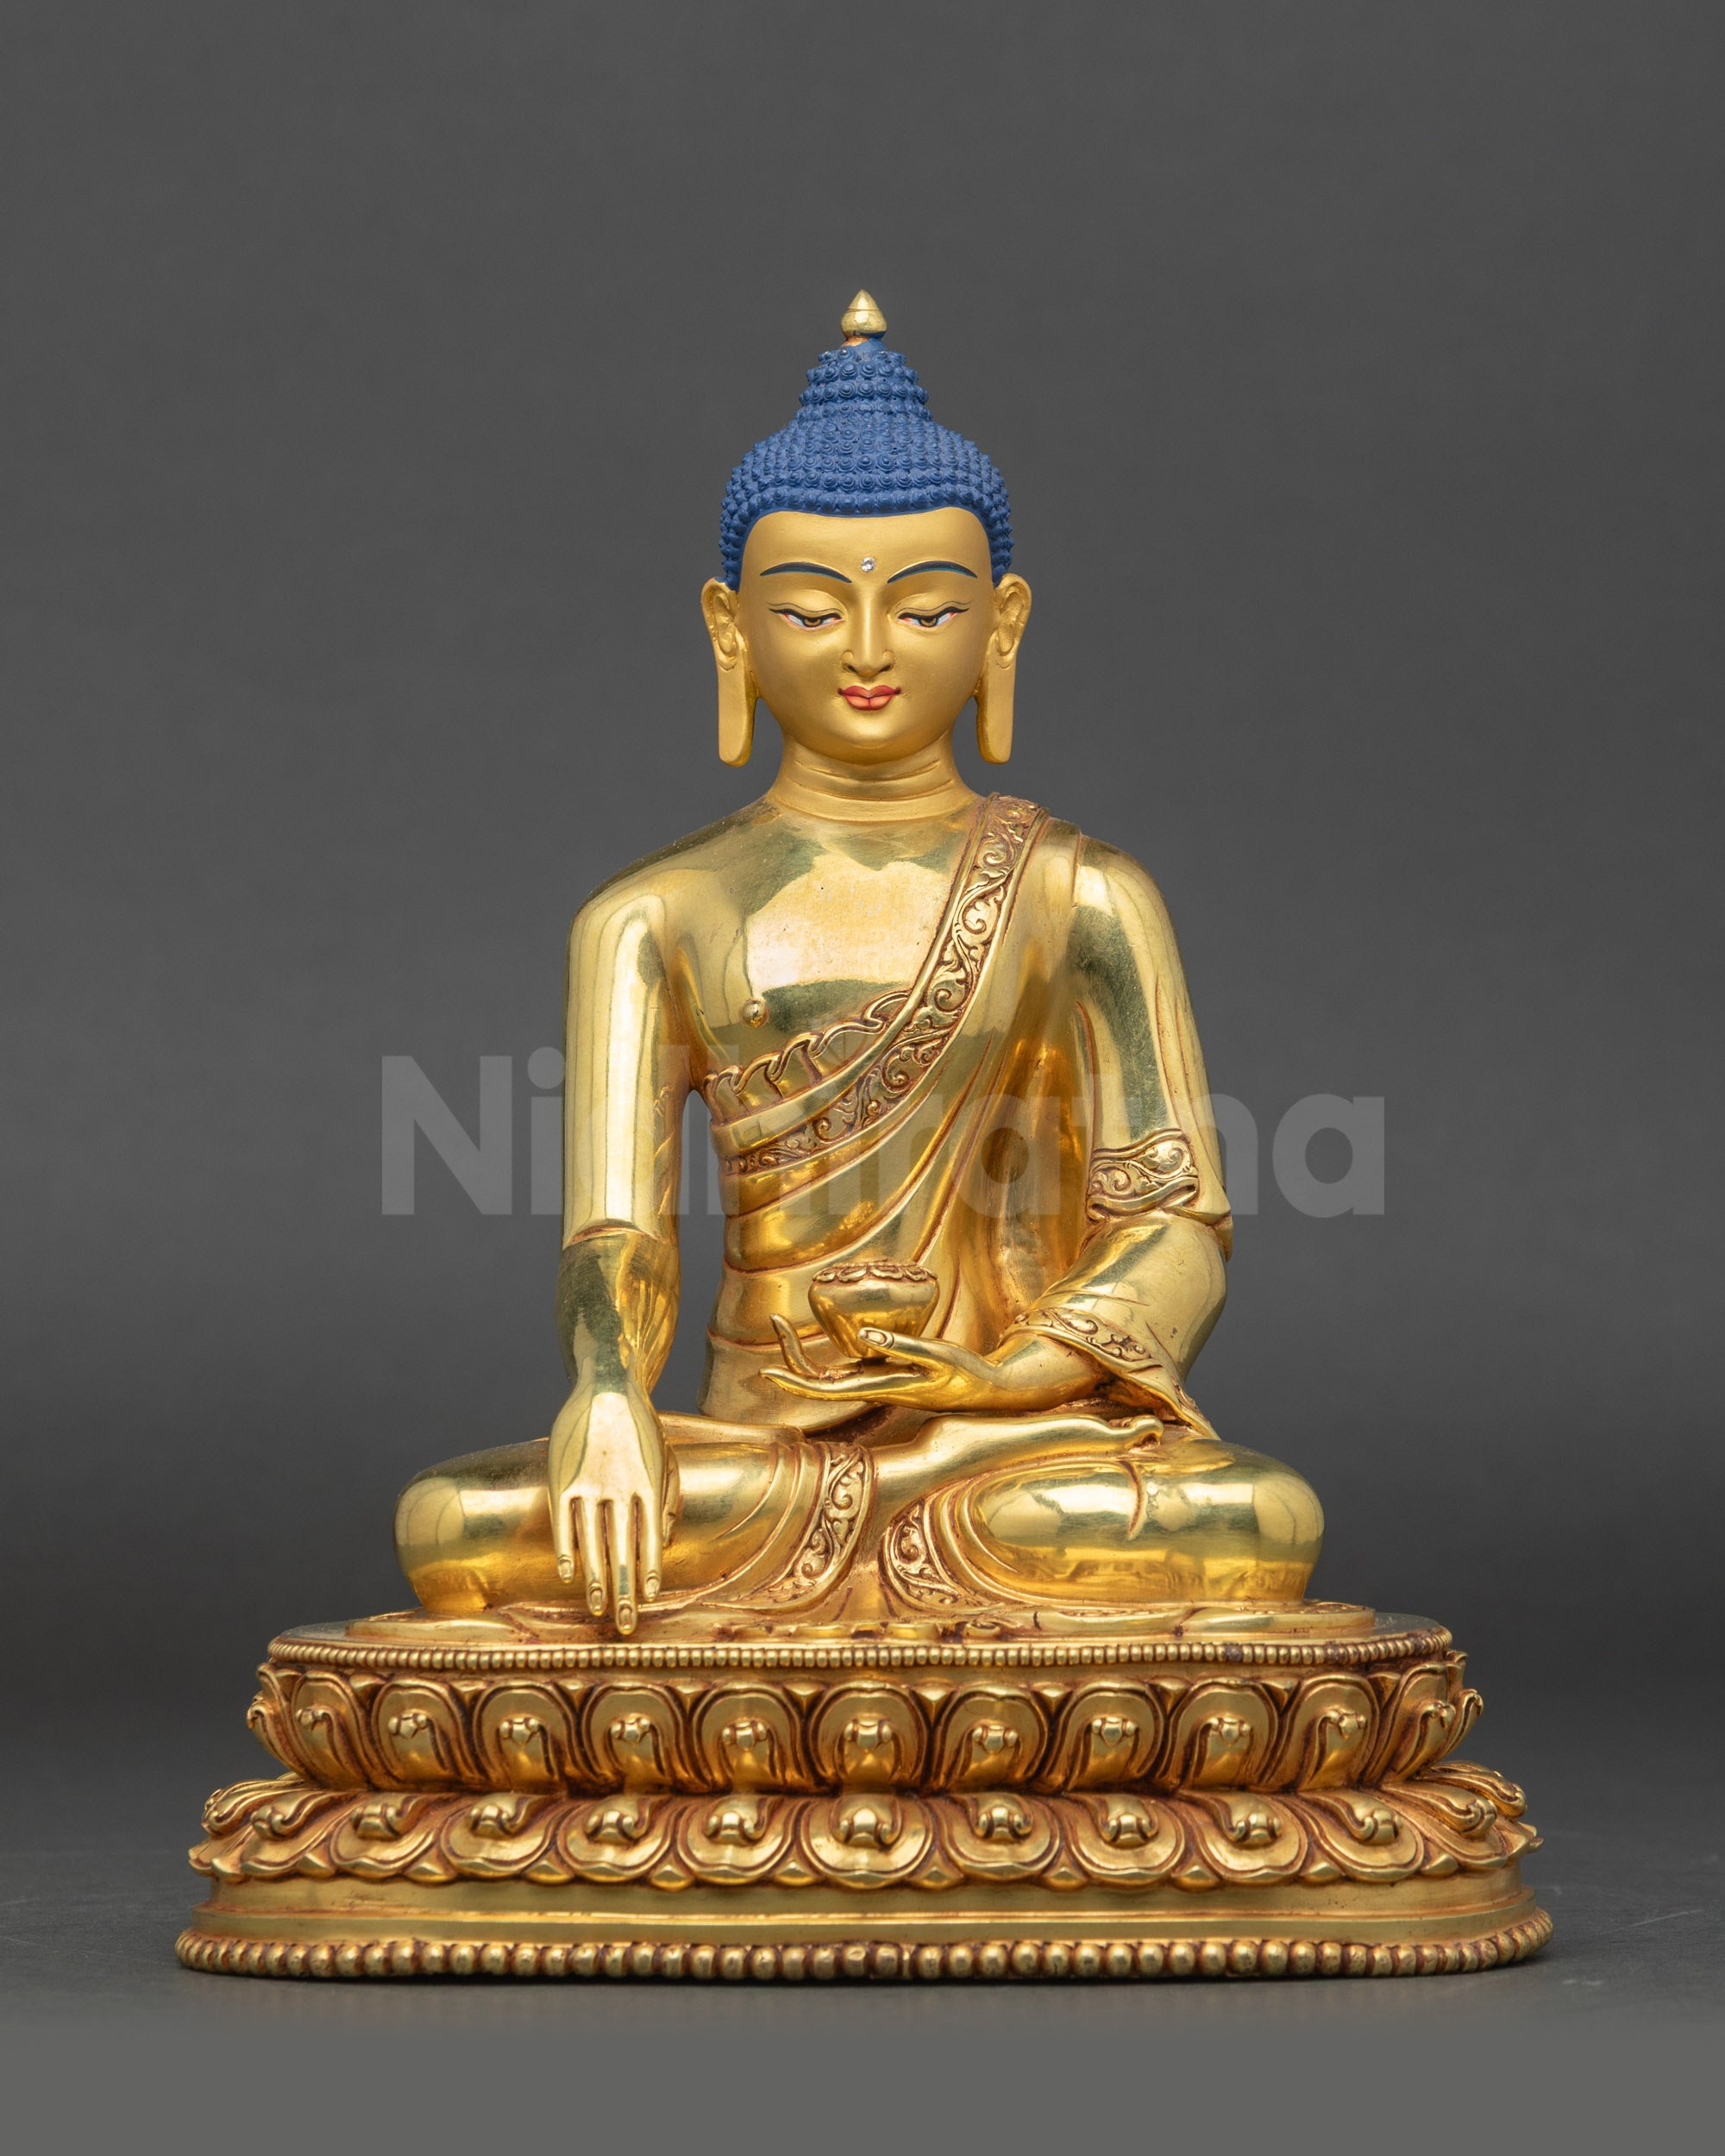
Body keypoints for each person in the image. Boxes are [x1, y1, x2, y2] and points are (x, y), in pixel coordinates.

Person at [394, 295, 1321, 1637]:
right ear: (732, 631)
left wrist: (1005, 1383)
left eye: (927, 608)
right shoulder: (651, 914)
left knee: (1254, 1521)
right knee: (459, 1527)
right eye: (816, 610)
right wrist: (605, 1395)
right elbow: (616, 1233)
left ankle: (878, 1570)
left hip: (1008, 1448)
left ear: (1002, 628)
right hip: (755, 1451)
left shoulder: (1085, 894)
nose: (873, 652)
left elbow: (1174, 1227)